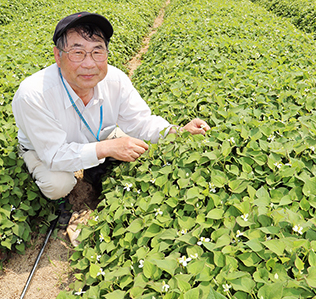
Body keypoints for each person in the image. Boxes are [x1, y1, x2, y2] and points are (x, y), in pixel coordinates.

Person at [12, 12, 209, 225]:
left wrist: (177, 131)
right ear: (58, 56)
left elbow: (141, 121)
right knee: (57, 183)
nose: (89, 64)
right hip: (45, 149)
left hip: (95, 136)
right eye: (77, 52)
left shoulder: (115, 80)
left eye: (97, 51)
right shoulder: (34, 94)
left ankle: (96, 163)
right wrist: (107, 149)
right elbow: (54, 154)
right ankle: (66, 196)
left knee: (138, 147)